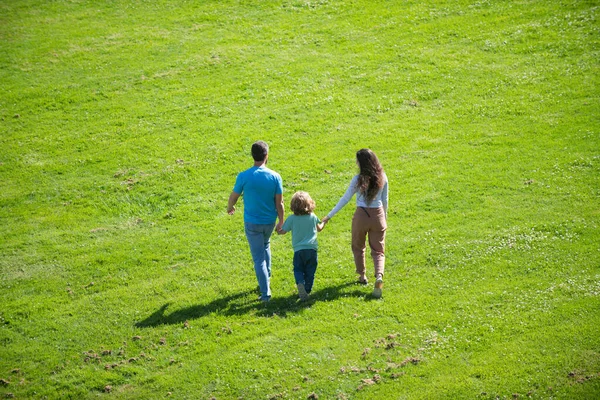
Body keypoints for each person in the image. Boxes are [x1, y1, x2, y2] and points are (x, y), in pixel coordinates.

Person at [322, 149, 388, 298]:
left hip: (361, 216)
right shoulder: (383, 177)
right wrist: (385, 219)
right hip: (378, 215)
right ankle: (379, 277)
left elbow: (345, 199)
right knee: (378, 251)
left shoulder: (358, 179)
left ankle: (362, 276)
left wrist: (329, 216)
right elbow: (385, 201)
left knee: (358, 247)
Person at [227, 141, 284, 302]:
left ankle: (265, 293)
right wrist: (281, 221)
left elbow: (234, 196)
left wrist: (230, 207)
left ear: (253, 156)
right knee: (266, 245)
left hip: (252, 223)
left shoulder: (244, 176)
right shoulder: (275, 177)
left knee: (258, 257)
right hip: (269, 221)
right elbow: (279, 203)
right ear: (266, 155)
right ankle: (267, 276)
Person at [278, 191, 326, 301]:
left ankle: (300, 283)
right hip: (311, 250)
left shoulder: (291, 218)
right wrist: (324, 221)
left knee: (298, 269)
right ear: (309, 204)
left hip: (298, 251)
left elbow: (283, 231)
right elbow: (319, 228)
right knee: (310, 271)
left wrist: (278, 229)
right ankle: (307, 289)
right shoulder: (313, 217)